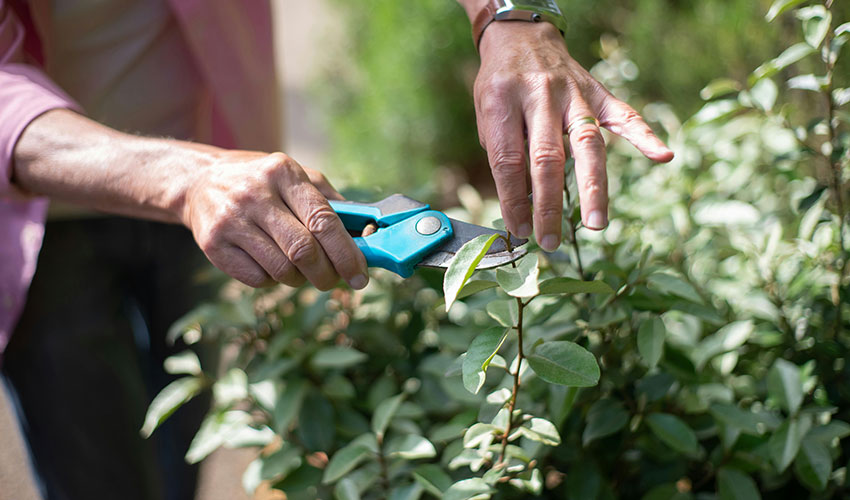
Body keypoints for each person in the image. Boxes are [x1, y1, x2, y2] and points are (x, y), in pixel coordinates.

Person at [0, 0, 672, 498]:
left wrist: (510, 17)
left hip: (225, 163)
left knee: (179, 450)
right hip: (40, 212)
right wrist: (185, 179)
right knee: (95, 474)